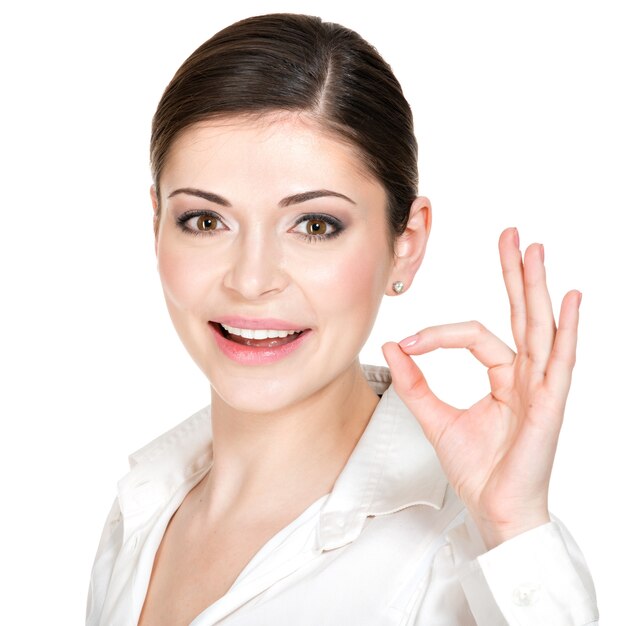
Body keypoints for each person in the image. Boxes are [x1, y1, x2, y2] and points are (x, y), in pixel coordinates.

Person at [86, 12, 599, 625]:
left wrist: (513, 525)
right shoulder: (141, 508)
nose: (251, 280)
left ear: (404, 243)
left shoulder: (467, 555)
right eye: (205, 220)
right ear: (156, 224)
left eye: (314, 226)